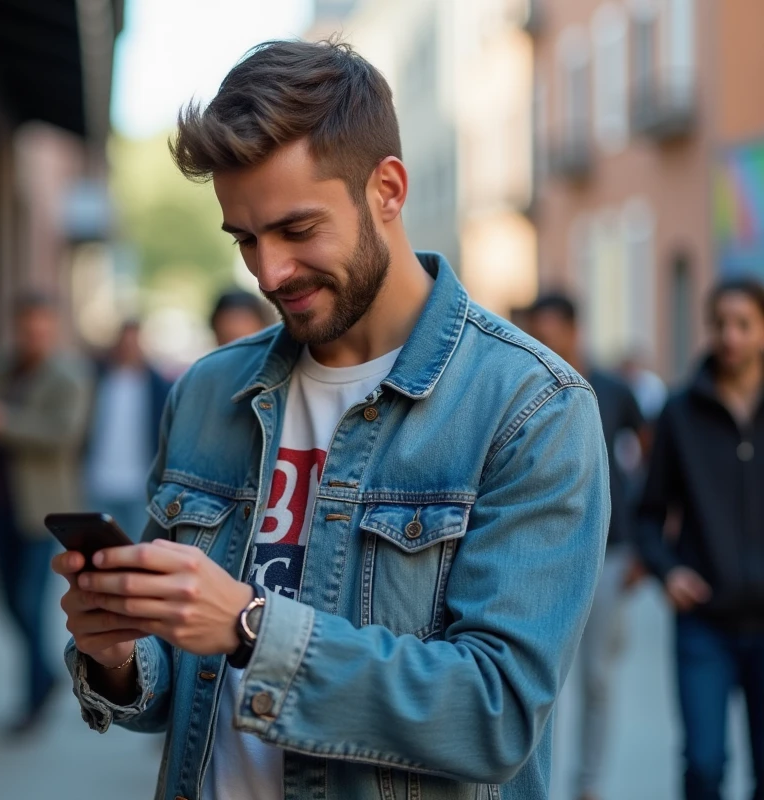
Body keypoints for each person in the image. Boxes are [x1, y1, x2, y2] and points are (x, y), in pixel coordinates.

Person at [53, 39, 609, 800]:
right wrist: (116, 650)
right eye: (246, 239)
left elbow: (496, 715)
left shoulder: (530, 409)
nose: (268, 272)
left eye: (297, 229)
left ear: (387, 188)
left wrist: (251, 627)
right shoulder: (208, 393)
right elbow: (175, 685)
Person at [636, 278, 764, 800]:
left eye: (743, 324)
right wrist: (668, 571)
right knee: (705, 765)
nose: (729, 336)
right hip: (703, 624)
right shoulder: (680, 411)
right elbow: (647, 512)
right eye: (720, 324)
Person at [524, 293, 648, 800]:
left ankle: (590, 782)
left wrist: (643, 542)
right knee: (533, 673)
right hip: (538, 550)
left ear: (574, 331)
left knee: (596, 674)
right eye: (539, 332)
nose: (546, 342)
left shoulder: (615, 390)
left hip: (609, 550)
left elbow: (651, 452)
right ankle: (529, 778)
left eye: (553, 333)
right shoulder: (524, 382)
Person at [0, 291, 92, 736]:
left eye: (41, 328)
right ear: (16, 326)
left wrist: (1, 422)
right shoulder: (1, 367)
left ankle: (34, 697)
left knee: (29, 604)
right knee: (7, 599)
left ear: (52, 328)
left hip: (40, 509)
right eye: (26, 327)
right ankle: (45, 676)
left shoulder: (68, 376)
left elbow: (62, 435)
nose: (33, 336)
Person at [85, 320, 172, 536]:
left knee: (137, 545)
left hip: (140, 484)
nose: (129, 348)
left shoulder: (158, 386)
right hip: (99, 481)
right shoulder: (97, 379)